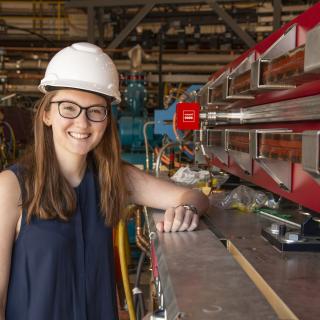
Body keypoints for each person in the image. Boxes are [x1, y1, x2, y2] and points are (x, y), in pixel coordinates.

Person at [0, 42, 209, 320]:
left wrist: (188, 211)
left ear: (107, 119)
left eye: (95, 110)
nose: (83, 123)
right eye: (69, 108)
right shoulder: (11, 187)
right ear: (47, 114)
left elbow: (194, 196)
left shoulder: (112, 178)